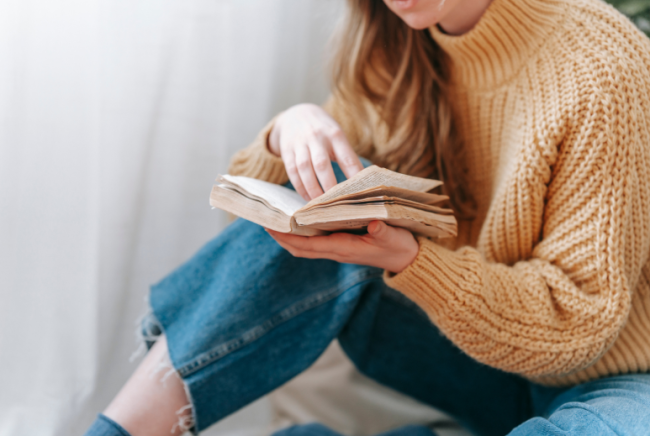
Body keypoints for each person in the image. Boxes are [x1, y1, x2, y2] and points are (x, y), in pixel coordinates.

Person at [84, 0, 650, 435]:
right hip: (484, 367)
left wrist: (413, 260)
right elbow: (254, 243)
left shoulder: (600, 63)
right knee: (311, 198)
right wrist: (290, 131)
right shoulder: (396, 44)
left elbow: (576, 326)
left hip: (620, 379)